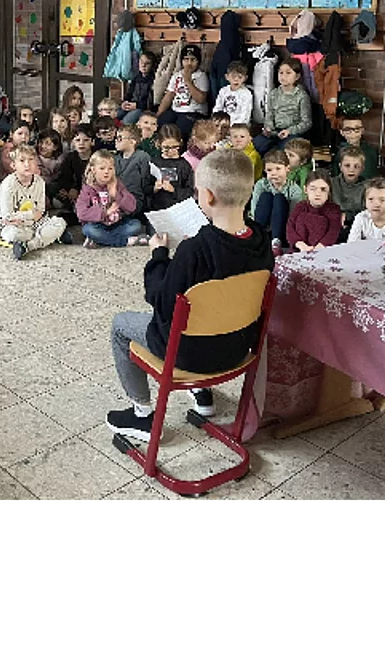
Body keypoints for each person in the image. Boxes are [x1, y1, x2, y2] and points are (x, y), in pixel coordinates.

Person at [105, 149, 273, 441]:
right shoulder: (262, 240)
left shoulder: (195, 249)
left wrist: (159, 256)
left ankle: (141, 416)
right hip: (236, 350)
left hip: (188, 354)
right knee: (210, 312)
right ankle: (202, 394)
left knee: (121, 325)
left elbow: (160, 301)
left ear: (207, 196)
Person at [0, 144, 69, 260]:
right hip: (11, 224)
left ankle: (28, 246)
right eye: (22, 161)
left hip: (34, 221)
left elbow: (41, 210)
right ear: (13, 165)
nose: (27, 164)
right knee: (16, 234)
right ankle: (48, 237)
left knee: (60, 222)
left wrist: (33, 217)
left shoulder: (39, 182)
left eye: (31, 160)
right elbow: (7, 216)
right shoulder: (8, 185)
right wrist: (30, 215)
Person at [76, 149, 145, 248]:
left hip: (117, 224)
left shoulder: (117, 184)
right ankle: (125, 241)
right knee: (89, 230)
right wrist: (106, 212)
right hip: (97, 225)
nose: (106, 172)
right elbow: (81, 213)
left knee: (136, 225)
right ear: (93, 170)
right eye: (102, 168)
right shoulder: (87, 188)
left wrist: (116, 194)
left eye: (110, 168)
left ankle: (100, 240)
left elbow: (132, 207)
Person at [254, 58, 312, 156]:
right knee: (257, 144)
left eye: (288, 73)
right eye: (281, 73)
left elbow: (306, 123)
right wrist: (268, 128)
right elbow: (269, 114)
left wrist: (289, 131)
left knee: (286, 149)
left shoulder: (301, 96)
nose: (283, 76)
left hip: (292, 133)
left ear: (297, 76)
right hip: (275, 131)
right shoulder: (274, 94)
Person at [250, 149, 303, 255]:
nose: (274, 173)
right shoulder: (261, 184)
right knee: (266, 196)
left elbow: (293, 217)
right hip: (262, 225)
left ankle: (276, 242)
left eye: (278, 169)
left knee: (279, 198)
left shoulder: (294, 189)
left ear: (287, 169)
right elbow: (254, 209)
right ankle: (258, 237)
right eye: (269, 170)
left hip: (282, 227)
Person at [156, 44, 210, 141]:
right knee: (162, 122)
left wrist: (188, 81)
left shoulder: (201, 76)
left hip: (193, 113)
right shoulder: (176, 76)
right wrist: (158, 114)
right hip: (176, 111)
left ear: (198, 61)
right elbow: (168, 97)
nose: (189, 63)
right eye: (186, 59)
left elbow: (201, 99)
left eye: (193, 60)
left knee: (181, 128)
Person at [287, 171, 342, 251]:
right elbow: (290, 227)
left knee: (320, 221)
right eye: (313, 189)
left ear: (329, 192)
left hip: (323, 250)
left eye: (323, 189)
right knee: (303, 218)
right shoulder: (300, 206)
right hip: (300, 249)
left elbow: (333, 231)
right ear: (305, 189)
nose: (318, 193)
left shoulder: (334, 209)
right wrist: (301, 245)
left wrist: (319, 248)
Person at [150, 126, 195, 211]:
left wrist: (173, 190)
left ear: (180, 142)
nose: (170, 151)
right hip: (156, 208)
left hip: (177, 209)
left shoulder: (184, 165)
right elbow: (144, 188)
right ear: (159, 144)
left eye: (174, 147)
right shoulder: (153, 163)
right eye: (166, 147)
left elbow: (190, 191)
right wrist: (154, 188)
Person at [115, 123, 155, 214]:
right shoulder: (115, 159)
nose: (116, 141)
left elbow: (146, 181)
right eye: (116, 138)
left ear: (132, 141)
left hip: (135, 199)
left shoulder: (142, 157)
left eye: (120, 138)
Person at [55, 123, 94, 217]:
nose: (81, 143)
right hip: (74, 192)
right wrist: (68, 189)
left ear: (92, 142)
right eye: (77, 140)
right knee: (56, 196)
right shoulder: (71, 157)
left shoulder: (97, 157)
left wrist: (77, 189)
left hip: (91, 191)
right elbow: (64, 176)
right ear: (73, 142)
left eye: (86, 140)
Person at [330, 146, 368, 234]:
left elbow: (368, 212)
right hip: (334, 223)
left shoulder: (367, 187)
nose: (351, 170)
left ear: (362, 168)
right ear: (340, 167)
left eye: (356, 166)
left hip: (357, 225)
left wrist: (348, 216)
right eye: (347, 165)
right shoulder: (331, 183)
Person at [120, 51, 158, 124]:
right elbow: (129, 92)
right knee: (116, 113)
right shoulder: (136, 77)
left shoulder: (154, 80)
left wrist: (137, 105)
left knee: (127, 121)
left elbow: (151, 102)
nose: (143, 65)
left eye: (147, 63)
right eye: (141, 62)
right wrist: (125, 101)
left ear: (152, 65)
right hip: (131, 104)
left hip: (142, 108)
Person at [212, 60, 253, 126]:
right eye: (233, 76)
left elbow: (245, 116)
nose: (236, 79)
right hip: (222, 124)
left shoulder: (246, 94)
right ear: (227, 77)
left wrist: (232, 126)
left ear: (245, 78)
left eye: (240, 77)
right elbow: (217, 108)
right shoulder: (223, 91)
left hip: (239, 126)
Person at [36, 129, 65, 203]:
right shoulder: (33, 156)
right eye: (41, 142)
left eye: (47, 144)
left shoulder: (60, 160)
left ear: (55, 147)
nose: (43, 146)